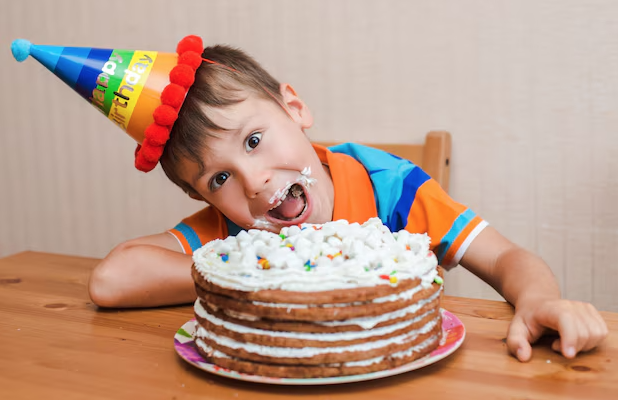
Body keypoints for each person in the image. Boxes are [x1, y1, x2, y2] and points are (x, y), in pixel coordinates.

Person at [12, 35, 607, 363]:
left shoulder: (390, 187)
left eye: (252, 139)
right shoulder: (235, 236)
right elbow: (111, 281)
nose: (250, 183)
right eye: (217, 179)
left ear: (294, 109)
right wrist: (255, 274)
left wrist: (539, 301)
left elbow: (506, 259)